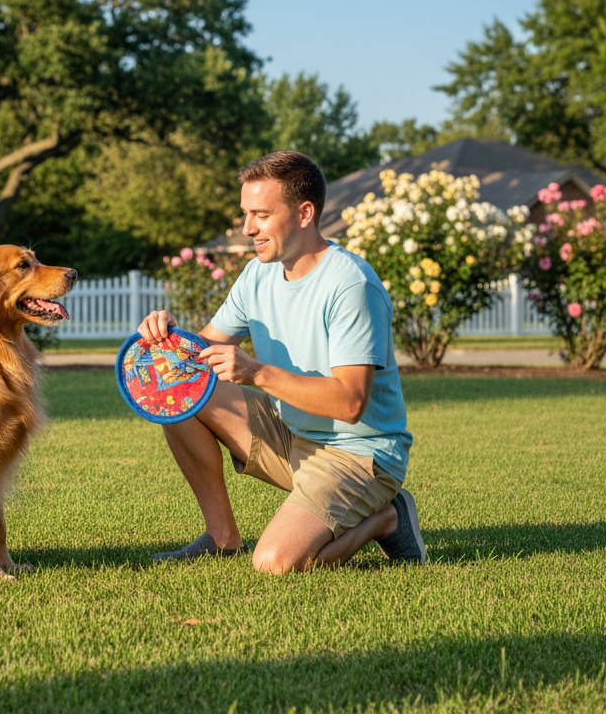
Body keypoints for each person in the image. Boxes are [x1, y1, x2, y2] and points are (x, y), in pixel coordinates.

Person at [138, 151, 425, 573]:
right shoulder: (258, 274)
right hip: (292, 433)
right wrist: (169, 336)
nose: (247, 228)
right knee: (174, 395)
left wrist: (255, 372)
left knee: (276, 563)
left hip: (358, 453)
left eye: (260, 214)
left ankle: (387, 517)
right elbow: (200, 351)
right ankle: (222, 539)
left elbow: (350, 403)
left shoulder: (350, 286)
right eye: (245, 214)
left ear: (304, 212)